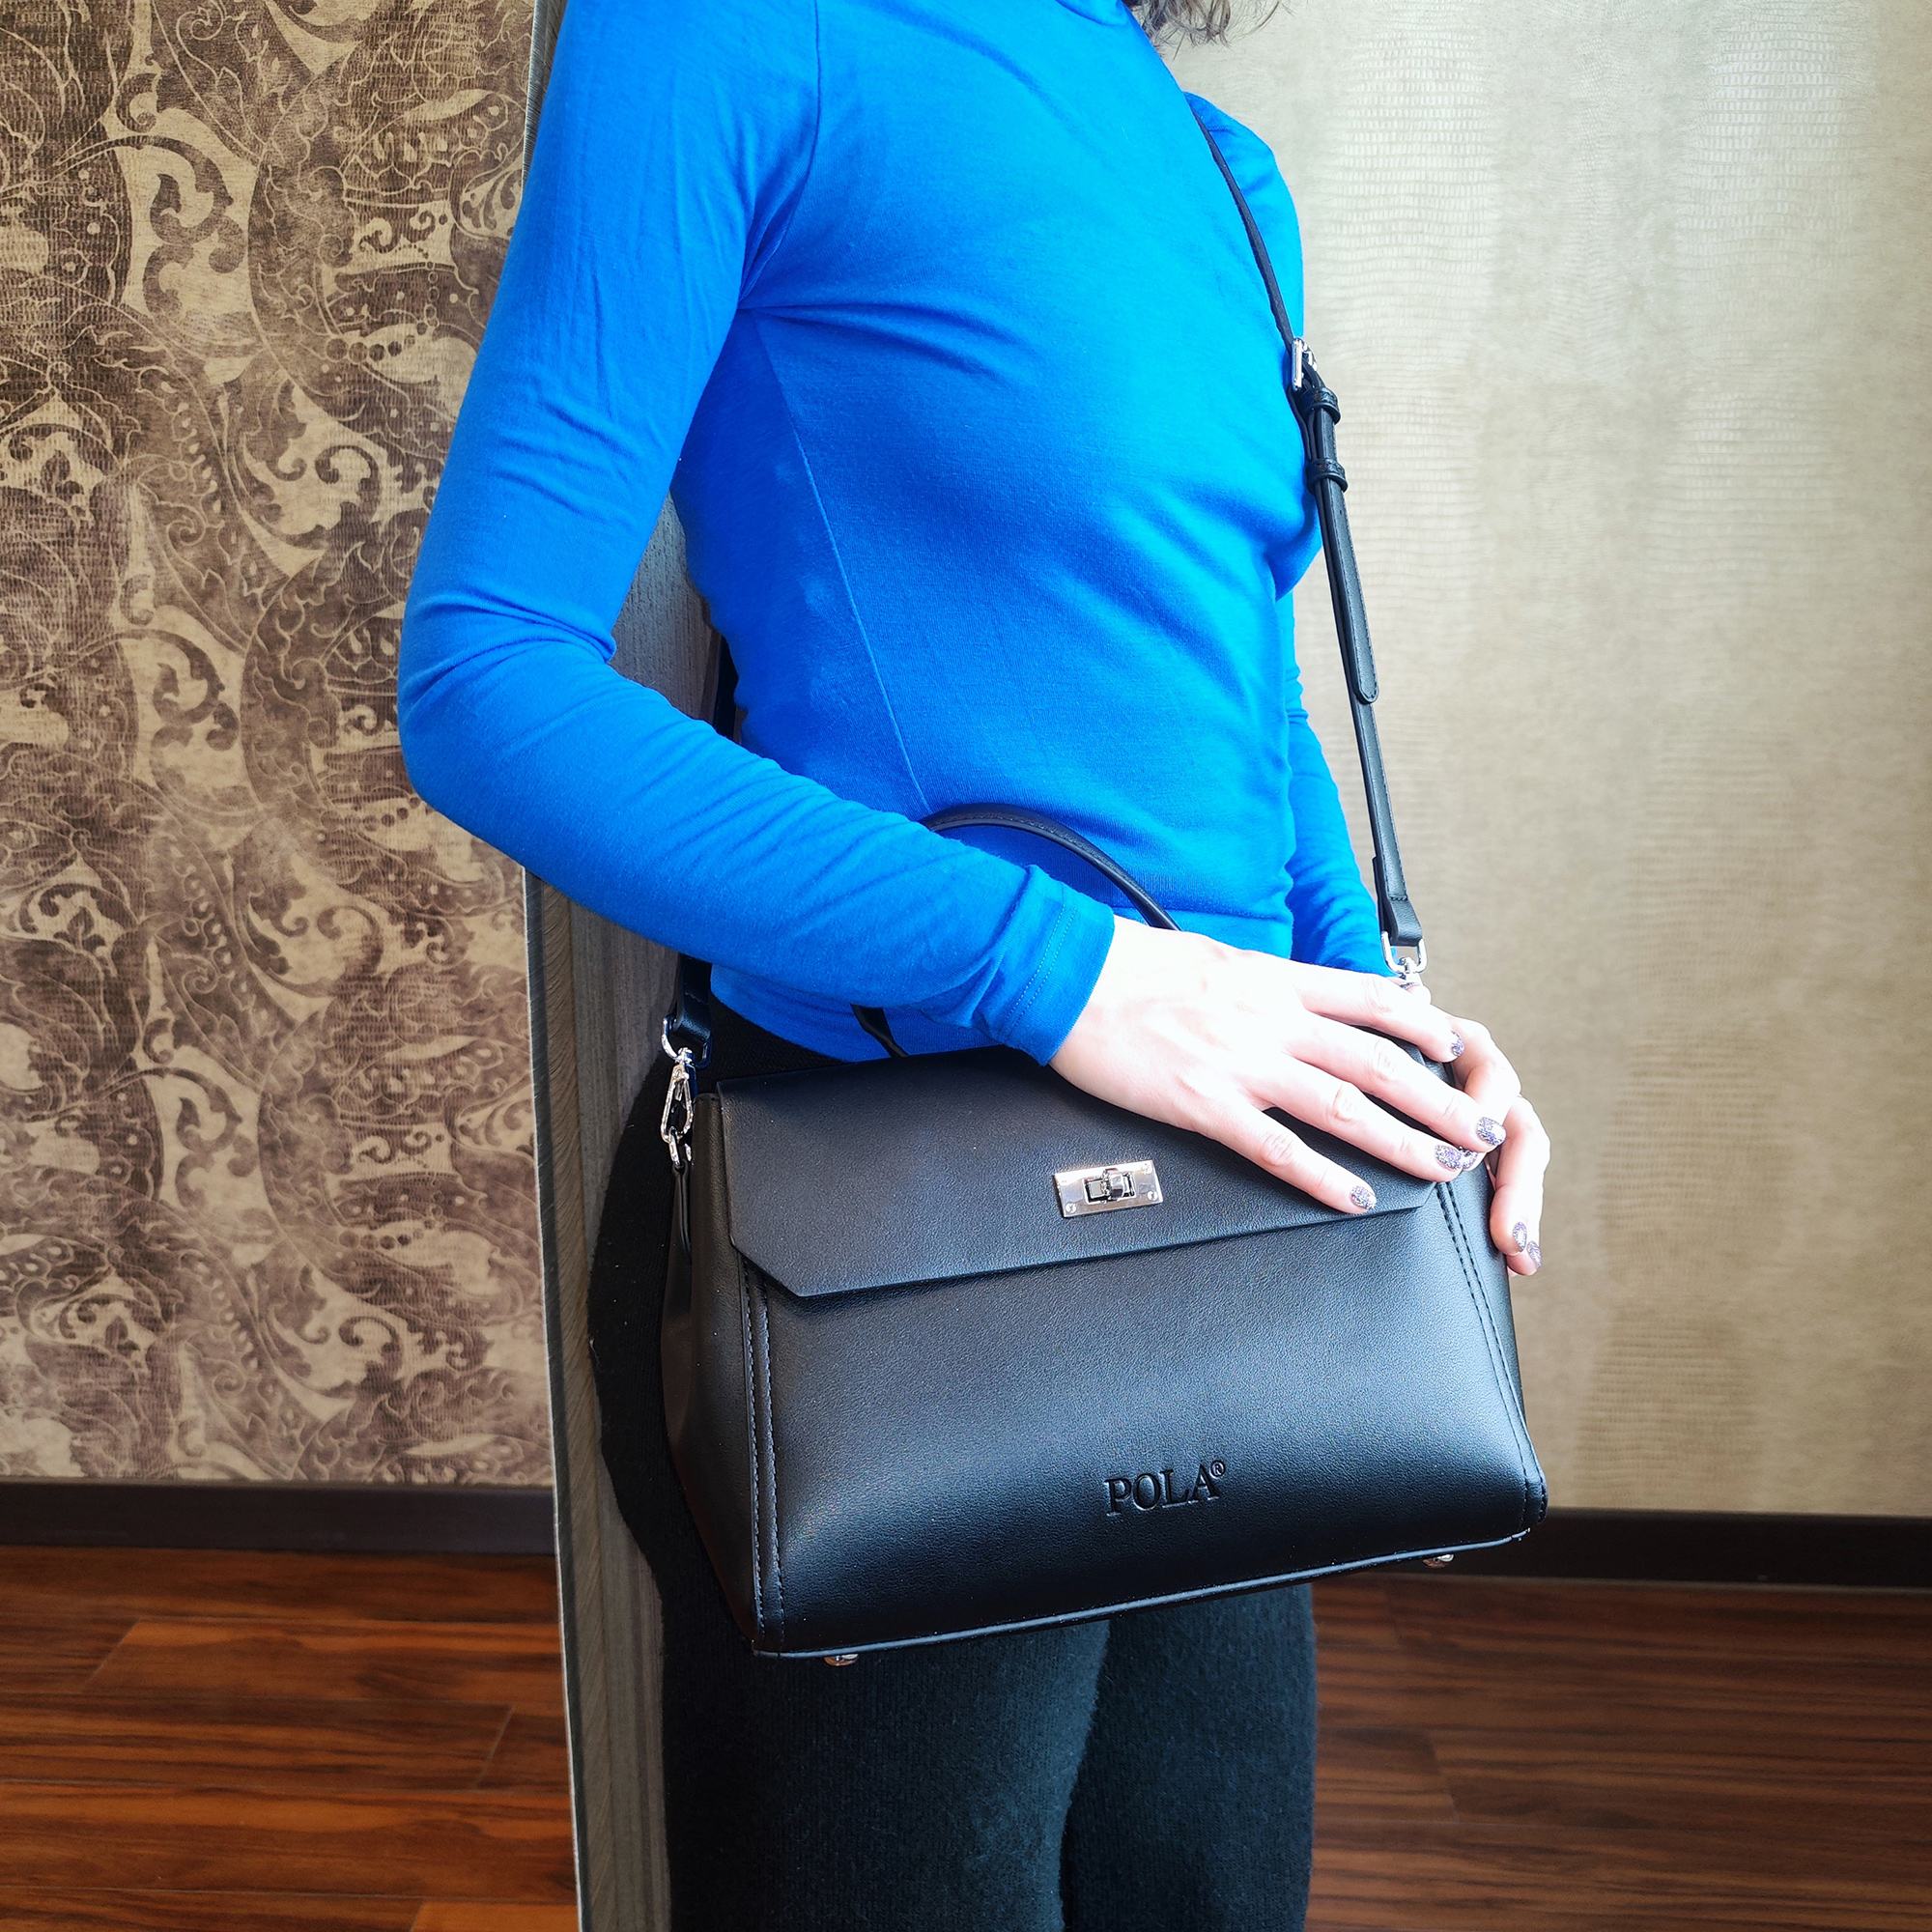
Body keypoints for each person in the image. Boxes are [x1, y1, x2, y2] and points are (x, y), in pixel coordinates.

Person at [398, 0, 1551, 1924]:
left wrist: (1385, 1031)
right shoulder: (717, 36)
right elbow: (486, 685)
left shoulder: (1222, 171)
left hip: (1236, 1221)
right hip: (898, 1262)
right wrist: (1064, 969)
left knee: (1209, 1887)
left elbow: (1240, 696)